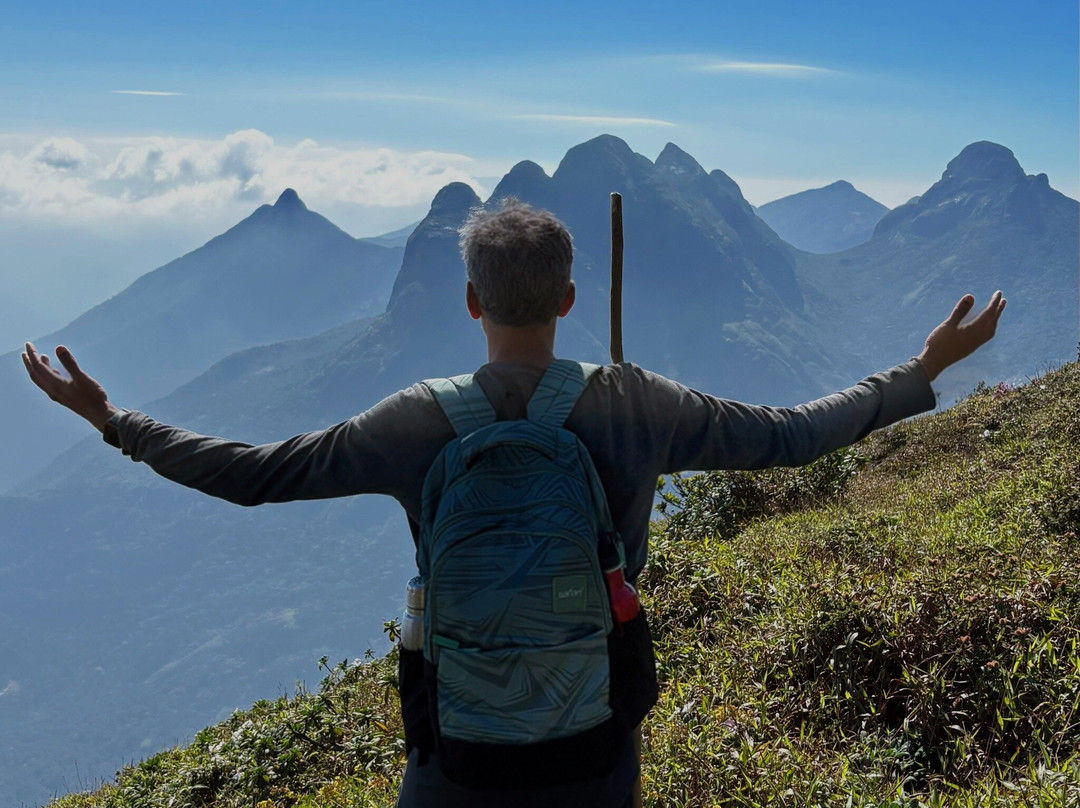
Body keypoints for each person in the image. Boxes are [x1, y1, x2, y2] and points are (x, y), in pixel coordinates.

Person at [22, 200, 1006, 808]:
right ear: (570, 299)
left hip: (456, 754)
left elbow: (256, 473)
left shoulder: (417, 422)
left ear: (468, 302)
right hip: (595, 740)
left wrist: (112, 417)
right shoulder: (637, 402)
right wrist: (920, 369)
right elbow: (794, 437)